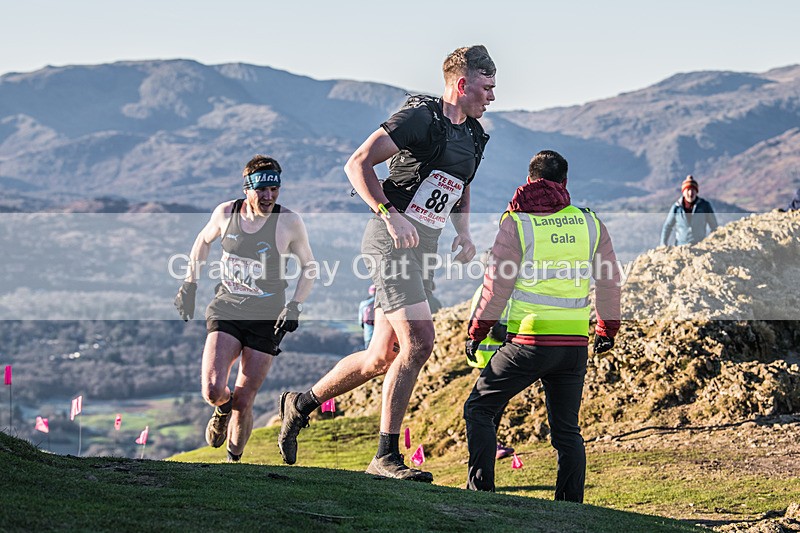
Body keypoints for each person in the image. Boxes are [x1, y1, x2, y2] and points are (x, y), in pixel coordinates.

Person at [278, 45, 496, 482]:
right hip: (389, 239)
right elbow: (357, 164)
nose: (492, 97)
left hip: (424, 246)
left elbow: (460, 184)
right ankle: (385, 456)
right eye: (487, 88)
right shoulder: (420, 118)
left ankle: (300, 404)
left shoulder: (474, 134)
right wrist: (389, 215)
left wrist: (465, 233)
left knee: (381, 356)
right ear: (461, 83)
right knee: (419, 341)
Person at [464, 150, 621, 502]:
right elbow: (609, 281)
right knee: (567, 432)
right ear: (565, 183)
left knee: (479, 408)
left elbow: (496, 287)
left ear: (530, 179)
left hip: (528, 343)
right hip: (573, 346)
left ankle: (481, 495)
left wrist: (477, 332)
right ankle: (570, 507)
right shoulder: (589, 222)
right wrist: (606, 331)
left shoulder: (517, 222)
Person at [173, 155, 315, 462]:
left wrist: (295, 306)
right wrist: (189, 284)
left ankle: (232, 463)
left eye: (274, 189)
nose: (268, 196)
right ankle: (220, 408)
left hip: (267, 318)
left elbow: (310, 267)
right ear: (246, 188)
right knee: (213, 389)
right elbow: (203, 240)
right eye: (261, 190)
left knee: (245, 398)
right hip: (228, 309)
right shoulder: (226, 212)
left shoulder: (288, 221)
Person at [466, 282, 514, 460]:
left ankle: (489, 444)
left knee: (494, 402)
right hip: (491, 355)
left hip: (488, 355)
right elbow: (495, 331)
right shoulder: (497, 289)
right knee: (493, 403)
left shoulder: (485, 288)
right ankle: (488, 446)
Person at [660, 175, 718, 246]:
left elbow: (714, 226)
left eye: (693, 190)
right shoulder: (677, 207)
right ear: (683, 192)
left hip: (701, 247)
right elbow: (667, 226)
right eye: (688, 190)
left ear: (696, 191)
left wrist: (715, 242)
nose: (690, 193)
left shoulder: (704, 206)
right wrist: (663, 243)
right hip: (681, 247)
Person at [358, 285, 377, 349]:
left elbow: (360, 322)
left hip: (368, 334)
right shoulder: (382, 303)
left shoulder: (363, 304)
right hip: (381, 334)